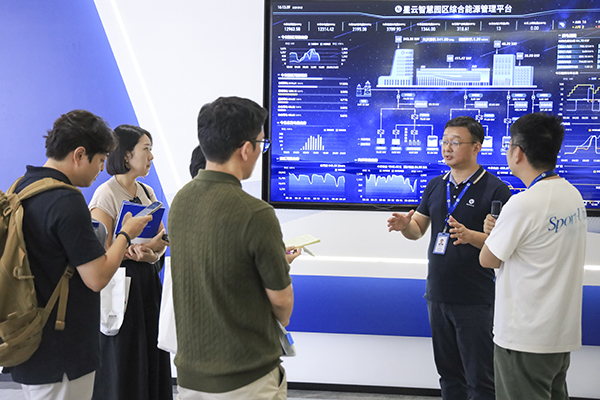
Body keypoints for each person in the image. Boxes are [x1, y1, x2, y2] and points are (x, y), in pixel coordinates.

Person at [9, 110, 150, 400]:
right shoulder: (66, 200)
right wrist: (125, 234)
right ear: (79, 154)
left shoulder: (22, 187)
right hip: (63, 350)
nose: (101, 168)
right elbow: (97, 277)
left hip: (30, 337)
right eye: (100, 160)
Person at [169, 96, 300, 400]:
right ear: (245, 149)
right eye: (261, 144)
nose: (261, 151)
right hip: (246, 378)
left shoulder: (180, 201)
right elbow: (282, 302)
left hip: (190, 378)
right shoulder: (256, 213)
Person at [387, 116, 511, 400]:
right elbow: (418, 230)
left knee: (480, 378)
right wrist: (405, 226)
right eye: (444, 142)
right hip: (438, 294)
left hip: (475, 297)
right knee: (449, 375)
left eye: (455, 142)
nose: (447, 148)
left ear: (476, 147)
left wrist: (471, 236)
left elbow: (504, 246)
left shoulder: (496, 189)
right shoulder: (435, 185)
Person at [480, 113, 587, 400]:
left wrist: (495, 233)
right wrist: (500, 231)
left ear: (517, 152)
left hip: (524, 337)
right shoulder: (573, 195)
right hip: (559, 333)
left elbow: (488, 259)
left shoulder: (523, 203)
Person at [88, 125, 172, 400]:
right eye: (146, 149)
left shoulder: (147, 192)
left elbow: (160, 240)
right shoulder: (106, 194)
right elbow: (100, 249)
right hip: (120, 290)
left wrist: (152, 254)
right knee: (124, 360)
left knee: (151, 355)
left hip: (147, 284)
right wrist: (128, 248)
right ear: (126, 155)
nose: (151, 157)